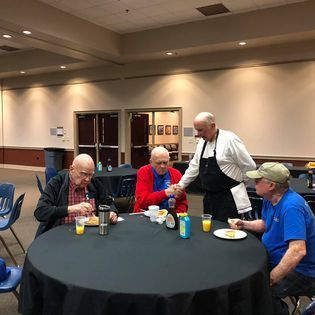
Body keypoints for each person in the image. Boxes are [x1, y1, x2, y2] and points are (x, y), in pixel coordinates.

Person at [228, 162, 315, 315]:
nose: (253, 182)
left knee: (258, 293)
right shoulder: (271, 199)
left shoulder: (291, 207)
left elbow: (297, 251)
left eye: (258, 180)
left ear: (271, 185)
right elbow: (265, 224)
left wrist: (271, 279)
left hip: (304, 271)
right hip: (276, 258)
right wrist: (244, 224)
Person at [177, 112, 256, 222]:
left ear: (213, 126)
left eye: (201, 130)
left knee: (228, 232)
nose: (198, 134)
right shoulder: (201, 143)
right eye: (196, 130)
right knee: (210, 229)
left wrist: (243, 184)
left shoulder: (230, 139)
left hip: (229, 199)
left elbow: (249, 165)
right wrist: (181, 185)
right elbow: (194, 167)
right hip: (209, 198)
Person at [34, 154, 118, 237]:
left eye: (90, 174)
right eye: (84, 174)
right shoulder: (57, 183)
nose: (87, 179)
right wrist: (72, 208)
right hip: (63, 235)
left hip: (91, 234)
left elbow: (108, 202)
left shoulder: (94, 183)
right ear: (71, 169)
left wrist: (112, 212)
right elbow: (40, 212)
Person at [133, 146, 188, 213]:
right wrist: (166, 193)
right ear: (151, 162)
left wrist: (176, 215)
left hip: (170, 216)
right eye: (158, 163)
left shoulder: (176, 174)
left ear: (169, 160)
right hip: (146, 214)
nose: (162, 166)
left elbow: (182, 202)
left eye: (165, 162)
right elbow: (142, 201)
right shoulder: (144, 172)